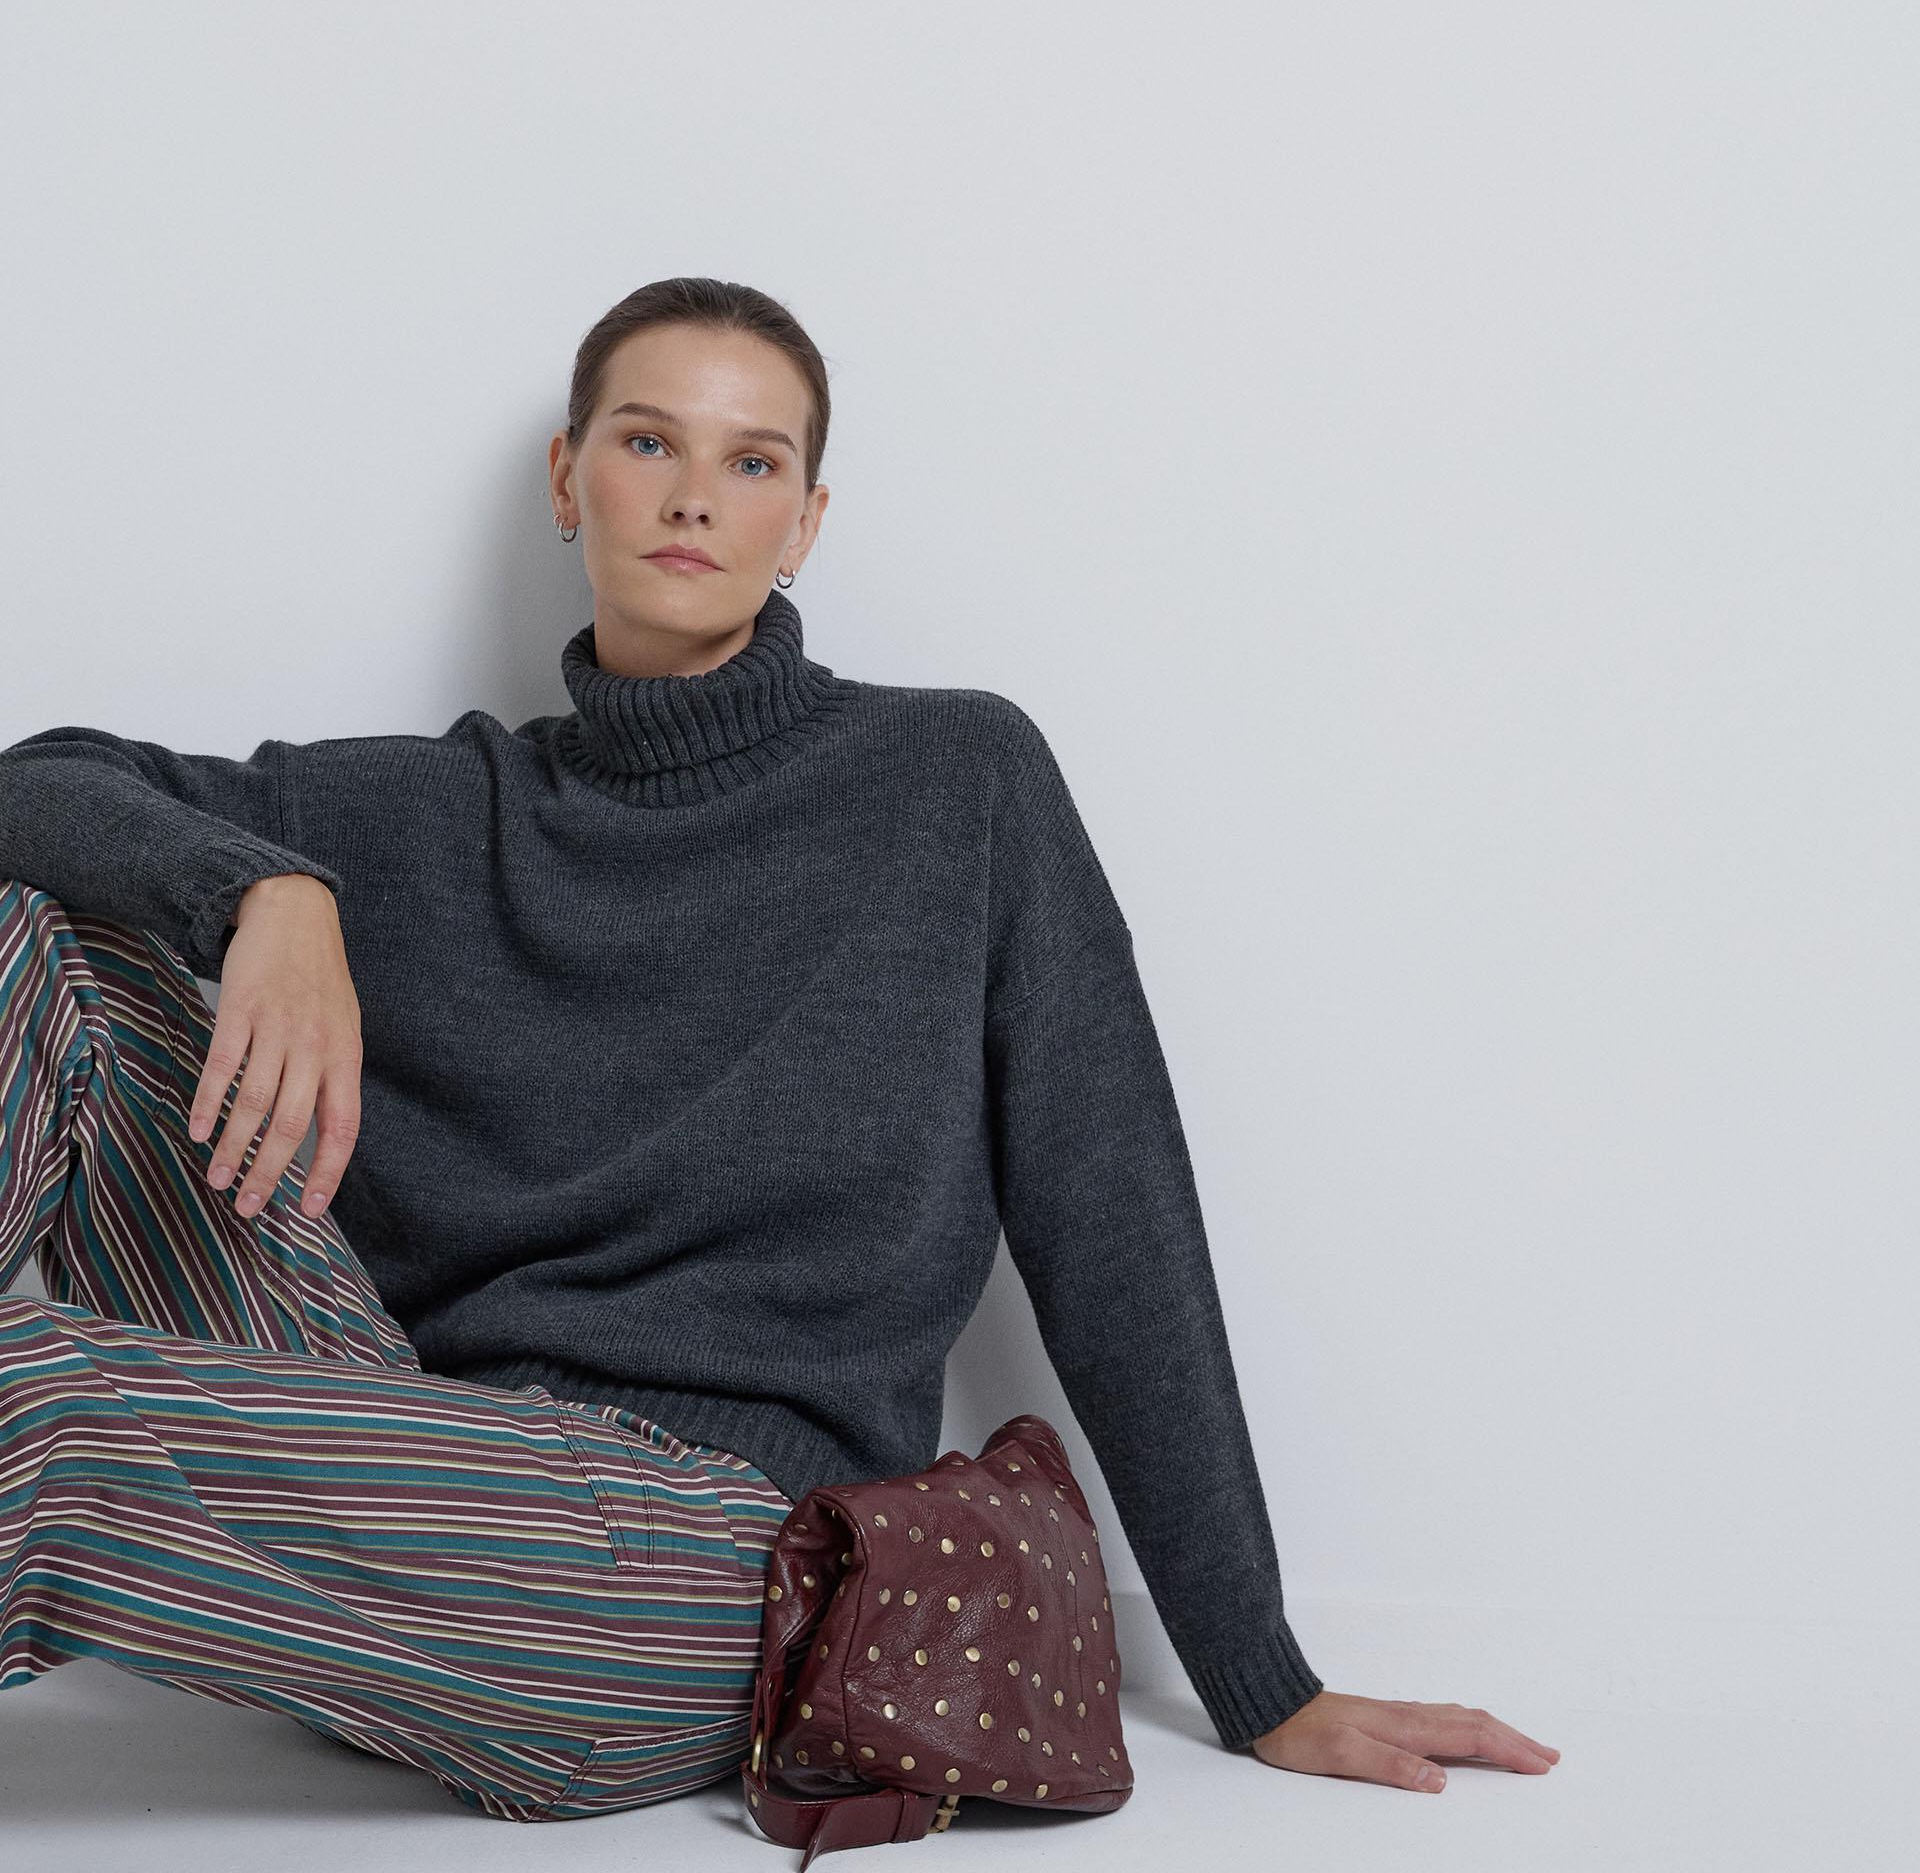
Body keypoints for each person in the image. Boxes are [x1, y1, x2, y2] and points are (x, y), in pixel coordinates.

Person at [0, 277, 1558, 1818]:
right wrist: (260, 890)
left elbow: (1112, 1206)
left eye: (752, 462)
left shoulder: (955, 779)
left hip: (688, 1568)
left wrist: (1259, 1676)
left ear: (804, 521)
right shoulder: (431, 808)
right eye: (647, 442)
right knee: (35, 939)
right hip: (411, 1472)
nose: (694, 497)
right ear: (568, 478)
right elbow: (31, 784)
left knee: (36, 1404)